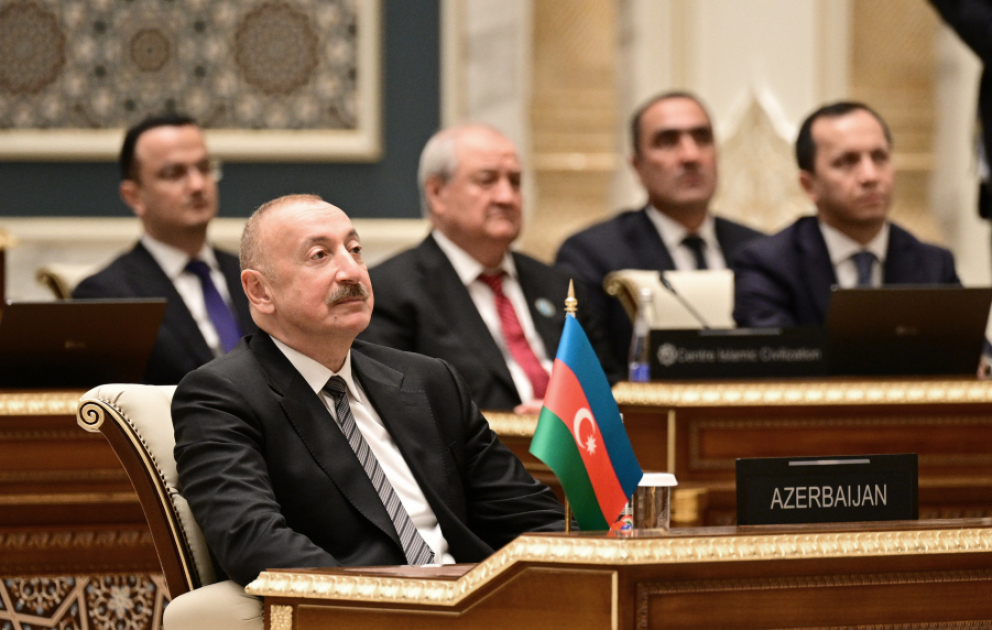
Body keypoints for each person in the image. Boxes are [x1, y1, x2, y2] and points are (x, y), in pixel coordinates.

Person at [166, 194, 565, 629]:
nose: (351, 271)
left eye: (355, 250)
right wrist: (392, 607)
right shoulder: (219, 395)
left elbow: (528, 516)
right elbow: (254, 541)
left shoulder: (428, 380)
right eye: (320, 256)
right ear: (260, 291)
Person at [360, 123, 618, 413]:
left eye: (515, 182)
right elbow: (400, 410)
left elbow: (607, 385)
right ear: (436, 193)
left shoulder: (559, 285)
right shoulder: (390, 292)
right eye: (487, 181)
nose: (506, 197)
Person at [555, 92, 764, 366]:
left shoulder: (759, 250)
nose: (690, 155)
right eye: (667, 141)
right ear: (637, 166)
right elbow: (589, 373)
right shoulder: (592, 254)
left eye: (702, 139)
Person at [733, 101, 960, 327]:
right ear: (809, 185)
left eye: (879, 157)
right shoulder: (767, 265)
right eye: (847, 162)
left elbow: (975, 348)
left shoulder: (935, 265)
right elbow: (776, 355)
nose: (870, 176)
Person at [73, 114, 255, 385]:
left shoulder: (251, 274)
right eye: (174, 173)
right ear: (133, 196)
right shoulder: (106, 295)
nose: (197, 185)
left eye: (204, 168)